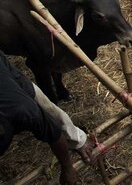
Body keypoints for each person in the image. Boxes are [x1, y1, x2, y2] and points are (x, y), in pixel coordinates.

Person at [0, 51, 93, 184]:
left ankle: (78, 139)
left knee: (45, 106)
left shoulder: (24, 110)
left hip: (10, 85)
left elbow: (53, 132)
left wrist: (67, 168)